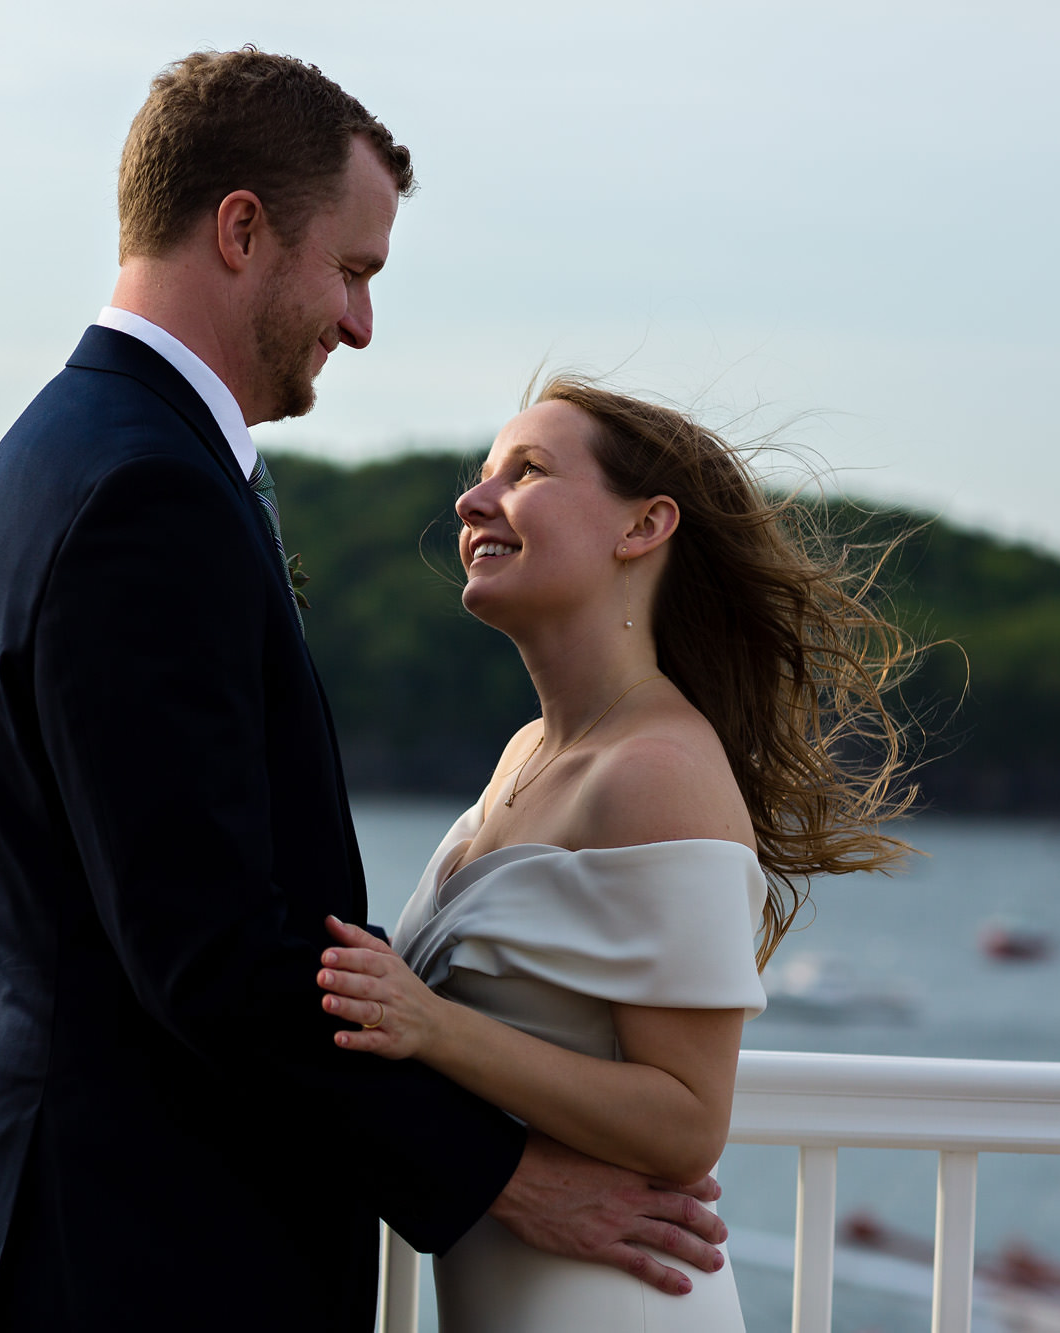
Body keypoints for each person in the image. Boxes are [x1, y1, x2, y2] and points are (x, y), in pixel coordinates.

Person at [0, 50, 734, 1333]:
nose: (358, 324)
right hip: (144, 1259)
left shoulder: (54, 457)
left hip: (64, 1225)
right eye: (351, 272)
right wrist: (504, 1180)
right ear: (240, 229)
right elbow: (211, 956)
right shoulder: (148, 496)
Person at [315, 377, 919, 1330]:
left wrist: (431, 1025)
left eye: (528, 471)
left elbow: (686, 1121)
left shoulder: (658, 769)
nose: (474, 502)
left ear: (644, 527)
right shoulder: (527, 751)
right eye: (481, 478)